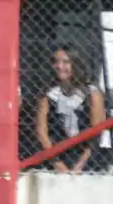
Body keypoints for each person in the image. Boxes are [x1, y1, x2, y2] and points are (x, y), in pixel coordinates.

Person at [33, 45, 106, 174]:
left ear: (76, 64)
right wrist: (57, 163)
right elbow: (41, 132)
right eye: (55, 61)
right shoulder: (47, 93)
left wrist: (81, 164)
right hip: (56, 153)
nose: (59, 66)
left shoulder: (91, 93)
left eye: (66, 62)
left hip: (87, 155)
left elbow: (96, 133)